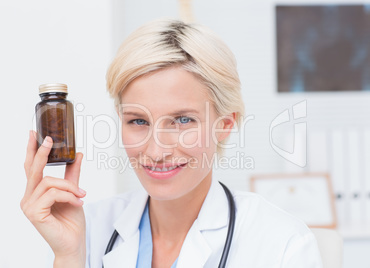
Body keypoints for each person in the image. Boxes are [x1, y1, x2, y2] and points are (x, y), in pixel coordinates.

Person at [21, 18, 323, 267]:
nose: (156, 151)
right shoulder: (87, 231)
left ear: (225, 125)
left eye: (182, 120)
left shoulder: (282, 246)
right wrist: (69, 256)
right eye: (138, 121)